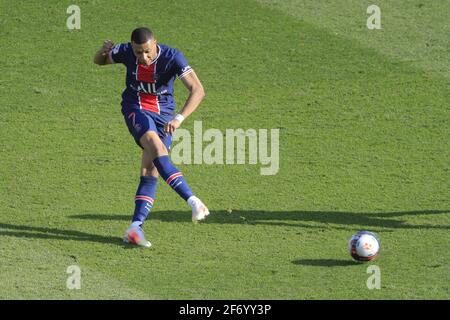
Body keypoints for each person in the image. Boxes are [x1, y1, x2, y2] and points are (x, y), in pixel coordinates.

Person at [93, 27, 209, 248]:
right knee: (156, 149)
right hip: (135, 107)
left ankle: (135, 227)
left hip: (164, 116)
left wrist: (179, 118)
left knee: (150, 169)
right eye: (138, 53)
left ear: (155, 42)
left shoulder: (172, 57)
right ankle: (193, 201)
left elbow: (198, 90)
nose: (143, 57)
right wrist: (102, 52)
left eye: (146, 51)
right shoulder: (126, 51)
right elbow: (100, 61)